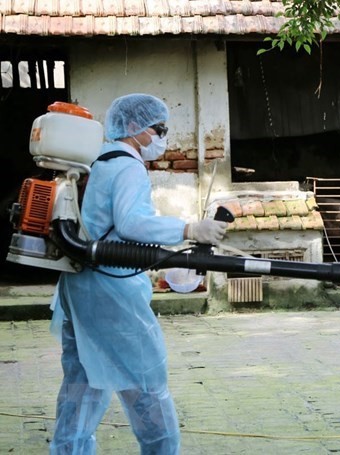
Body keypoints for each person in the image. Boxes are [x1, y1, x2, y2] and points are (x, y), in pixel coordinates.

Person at [49, 93, 227, 453]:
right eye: (158, 129)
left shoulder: (97, 160)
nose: (162, 137)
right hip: (109, 292)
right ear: (133, 128)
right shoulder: (127, 166)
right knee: (146, 379)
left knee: (83, 382)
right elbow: (132, 224)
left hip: (78, 286)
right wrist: (190, 230)